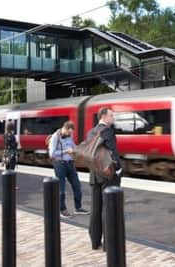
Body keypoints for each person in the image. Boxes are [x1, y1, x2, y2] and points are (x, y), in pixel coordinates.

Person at [87, 107, 122, 250]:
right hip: (107, 175)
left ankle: (95, 242)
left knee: (95, 208)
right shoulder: (107, 131)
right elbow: (113, 154)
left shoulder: (90, 132)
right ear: (103, 116)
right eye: (111, 115)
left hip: (94, 174)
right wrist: (119, 168)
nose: (113, 118)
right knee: (108, 208)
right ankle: (109, 244)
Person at [48, 121, 89, 218]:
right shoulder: (55, 137)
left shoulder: (69, 136)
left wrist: (79, 148)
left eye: (71, 133)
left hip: (70, 164)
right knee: (61, 189)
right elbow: (52, 154)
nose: (70, 134)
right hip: (60, 164)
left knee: (77, 185)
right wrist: (66, 151)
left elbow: (73, 146)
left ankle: (78, 208)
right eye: (69, 132)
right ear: (65, 129)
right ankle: (62, 210)